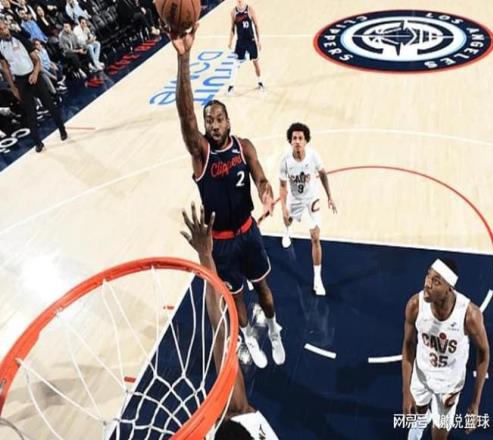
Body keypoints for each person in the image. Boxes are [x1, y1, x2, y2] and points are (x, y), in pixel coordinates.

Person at [168, 23, 285, 369]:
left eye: (219, 118)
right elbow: (185, 116)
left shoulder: (243, 146)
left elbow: (260, 175)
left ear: (229, 122)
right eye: (209, 120)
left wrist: (265, 190)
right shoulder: (201, 153)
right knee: (237, 300)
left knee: (264, 291)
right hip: (220, 242)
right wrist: (184, 59)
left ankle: (274, 330)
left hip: (248, 232)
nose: (214, 124)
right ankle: (248, 336)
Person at [180, 203, 279, 440]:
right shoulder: (240, 413)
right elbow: (221, 334)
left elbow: (220, 331)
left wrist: (206, 256)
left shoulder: (239, 413)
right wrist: (206, 255)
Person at [401, 258, 490, 440]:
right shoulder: (415, 305)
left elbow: (484, 353)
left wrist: (475, 403)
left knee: (439, 435)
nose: (427, 283)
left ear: (450, 287)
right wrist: (406, 392)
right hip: (422, 374)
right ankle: (422, 421)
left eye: (436, 281)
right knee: (419, 411)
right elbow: (408, 344)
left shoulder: (469, 315)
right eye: (428, 275)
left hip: (449, 385)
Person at [279, 122, 336, 296]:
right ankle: (287, 231)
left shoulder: (313, 156)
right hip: (295, 199)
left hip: (312, 199)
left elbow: (323, 174)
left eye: (300, 138)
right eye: (294, 138)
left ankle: (317, 280)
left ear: (306, 141)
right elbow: (282, 185)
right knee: (287, 219)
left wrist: (330, 196)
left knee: (315, 237)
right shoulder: (285, 160)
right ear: (290, 141)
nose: (297, 141)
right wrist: (283, 207)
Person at [0, 19, 67, 152]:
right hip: (21, 80)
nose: (4, 31)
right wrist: (13, 87)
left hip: (34, 75)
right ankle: (38, 142)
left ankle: (62, 129)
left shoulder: (20, 38)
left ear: (7, 26)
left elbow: (37, 59)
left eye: (4, 28)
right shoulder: (0, 46)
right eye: (0, 30)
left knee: (49, 104)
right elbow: (6, 68)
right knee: (30, 113)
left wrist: (35, 74)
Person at [226, 0, 263, 96]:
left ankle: (260, 82)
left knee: (255, 62)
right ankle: (231, 87)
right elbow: (232, 28)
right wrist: (230, 41)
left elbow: (256, 25)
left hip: (251, 41)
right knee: (235, 64)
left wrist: (259, 41)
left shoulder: (250, 9)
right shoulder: (233, 12)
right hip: (240, 42)